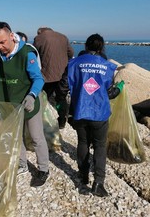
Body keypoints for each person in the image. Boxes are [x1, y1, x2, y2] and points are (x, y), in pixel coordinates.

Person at [0, 22, 49, 187]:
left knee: (37, 137)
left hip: (28, 102)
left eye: (3, 42)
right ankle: (22, 163)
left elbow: (38, 78)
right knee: (16, 137)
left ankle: (43, 169)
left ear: (11, 36)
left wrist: (31, 95)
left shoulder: (26, 53)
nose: (0, 46)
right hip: (9, 103)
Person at [67, 33, 124, 197]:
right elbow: (110, 93)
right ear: (102, 48)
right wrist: (119, 88)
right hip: (100, 113)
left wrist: (62, 108)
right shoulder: (107, 66)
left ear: (85, 46)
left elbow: (66, 86)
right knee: (100, 146)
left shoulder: (73, 63)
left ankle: (83, 175)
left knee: (83, 142)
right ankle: (98, 182)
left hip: (79, 110)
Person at [33, 27, 74, 129]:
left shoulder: (38, 38)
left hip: (46, 74)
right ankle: (62, 120)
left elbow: (33, 54)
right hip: (63, 74)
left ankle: (44, 120)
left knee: (44, 97)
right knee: (61, 98)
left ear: (40, 32)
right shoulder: (63, 37)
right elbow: (71, 53)